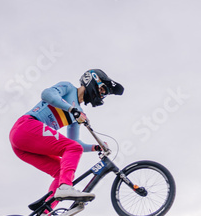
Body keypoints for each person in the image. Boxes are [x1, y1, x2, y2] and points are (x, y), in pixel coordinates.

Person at [9, 68, 124, 207]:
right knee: (71, 153)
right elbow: (46, 94)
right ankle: (65, 188)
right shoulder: (68, 88)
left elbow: (75, 143)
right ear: (92, 80)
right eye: (103, 90)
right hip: (25, 126)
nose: (102, 95)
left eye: (105, 94)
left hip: (23, 146)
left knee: (61, 170)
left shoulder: (78, 114)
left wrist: (96, 147)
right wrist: (72, 110)